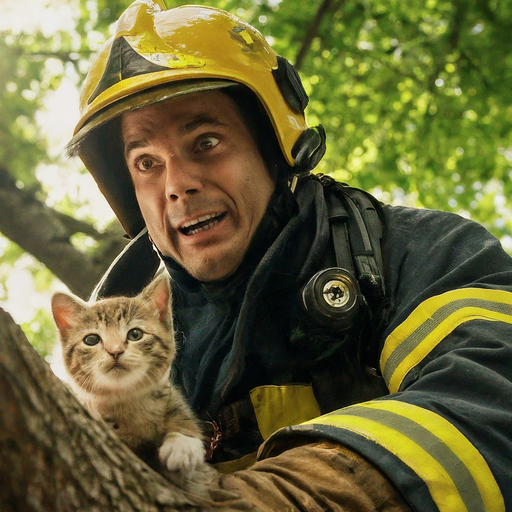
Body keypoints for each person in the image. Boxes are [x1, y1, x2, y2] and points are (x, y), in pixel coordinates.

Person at [68, 0, 512, 510]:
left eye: (206, 141)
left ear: (276, 147)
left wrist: (285, 497)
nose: (177, 186)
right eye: (146, 162)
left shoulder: (421, 254)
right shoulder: (108, 358)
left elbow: (494, 395)